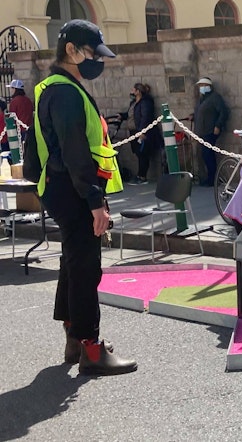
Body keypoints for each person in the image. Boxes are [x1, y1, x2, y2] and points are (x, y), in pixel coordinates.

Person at [31, 19, 137, 375]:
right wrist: (95, 202)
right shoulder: (63, 92)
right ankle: (91, 349)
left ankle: (74, 339)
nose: (98, 61)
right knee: (86, 265)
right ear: (72, 51)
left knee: (74, 261)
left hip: (64, 188)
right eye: (93, 53)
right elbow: (76, 151)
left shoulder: (59, 87)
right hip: (74, 190)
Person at [192, 77, 229, 186]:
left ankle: (213, 178)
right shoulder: (202, 99)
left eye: (203, 85)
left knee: (208, 154)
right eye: (200, 86)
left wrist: (218, 125)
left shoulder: (215, 98)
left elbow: (223, 112)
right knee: (205, 154)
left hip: (210, 130)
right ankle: (210, 177)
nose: (201, 88)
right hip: (202, 131)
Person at [125, 83, 161, 185]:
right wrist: (122, 116)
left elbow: (146, 117)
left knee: (143, 153)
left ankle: (142, 176)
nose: (131, 91)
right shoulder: (134, 102)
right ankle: (140, 175)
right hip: (134, 131)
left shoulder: (145, 102)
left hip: (141, 131)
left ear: (138, 91)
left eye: (133, 89)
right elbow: (131, 114)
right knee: (138, 153)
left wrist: (142, 131)